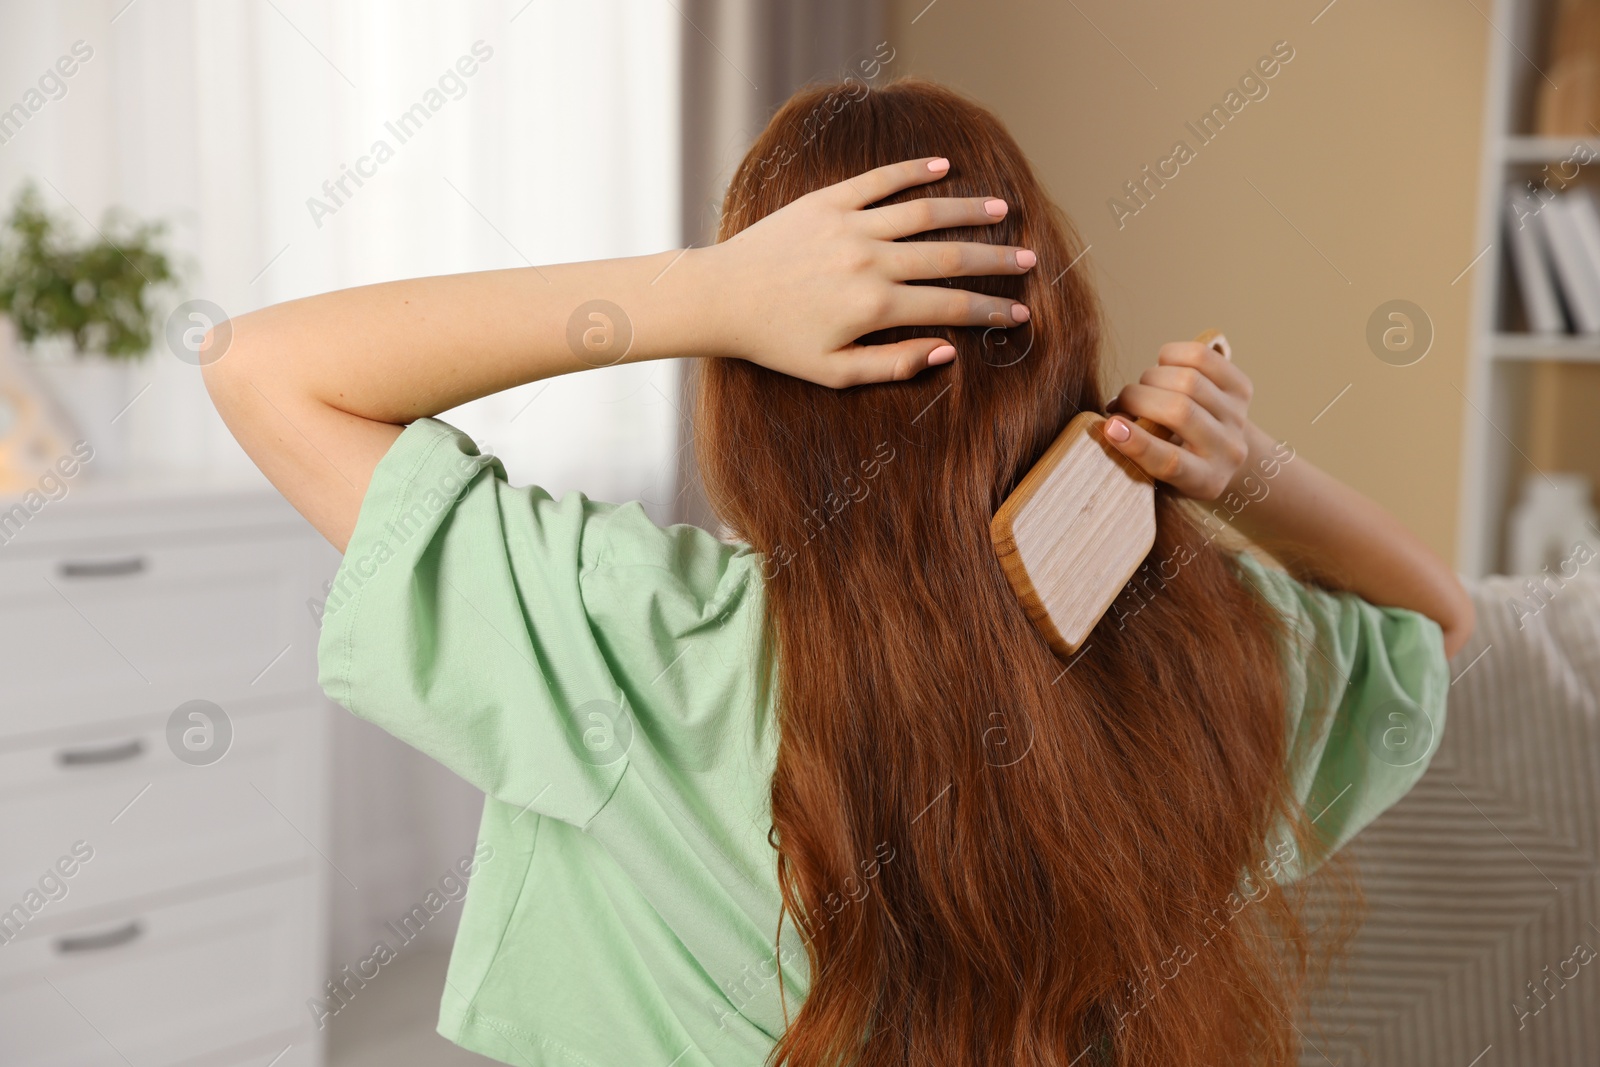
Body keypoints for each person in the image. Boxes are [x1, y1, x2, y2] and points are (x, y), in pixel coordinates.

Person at [204, 77, 1474, 1067]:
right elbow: (1438, 619)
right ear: (1050, 335)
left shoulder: (637, 633)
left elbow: (259, 368)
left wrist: (706, 291)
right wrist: (1239, 468)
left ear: (755, 385)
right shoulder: (1202, 648)